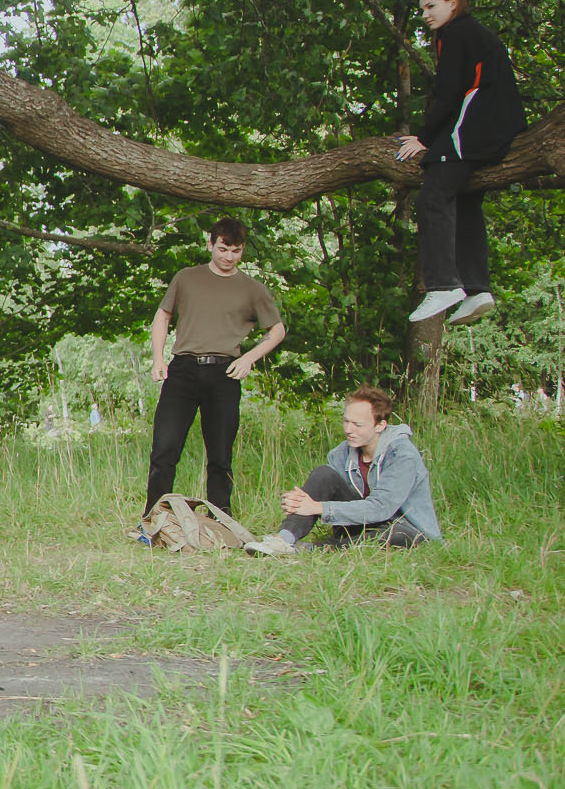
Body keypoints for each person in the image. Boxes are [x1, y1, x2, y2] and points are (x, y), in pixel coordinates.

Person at [140, 217, 287, 533]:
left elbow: (277, 330)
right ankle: (152, 520)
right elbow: (162, 316)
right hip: (182, 371)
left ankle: (223, 523)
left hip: (225, 373)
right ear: (210, 245)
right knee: (165, 448)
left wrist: (249, 357)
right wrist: (157, 358)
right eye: (223, 249)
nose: (229, 256)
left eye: (236, 251)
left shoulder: (252, 288)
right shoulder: (187, 278)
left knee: (220, 454)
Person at [399, 0, 528, 327]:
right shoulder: (472, 33)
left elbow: (451, 91)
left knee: (432, 198)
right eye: (422, 9)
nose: (425, 15)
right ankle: (477, 288)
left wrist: (425, 139)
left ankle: (443, 284)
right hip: (499, 128)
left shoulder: (454, 34)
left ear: (453, 3)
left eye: (431, 7)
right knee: (465, 198)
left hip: (476, 126)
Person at [246, 386, 440, 553]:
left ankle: (318, 548)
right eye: (346, 421)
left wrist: (318, 507)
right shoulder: (340, 453)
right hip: (359, 525)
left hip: (401, 529)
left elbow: (381, 508)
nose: (348, 429)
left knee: (399, 534)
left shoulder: (402, 455)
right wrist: (297, 502)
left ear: (380, 425)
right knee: (324, 474)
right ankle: (283, 540)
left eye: (357, 424)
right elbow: (329, 495)